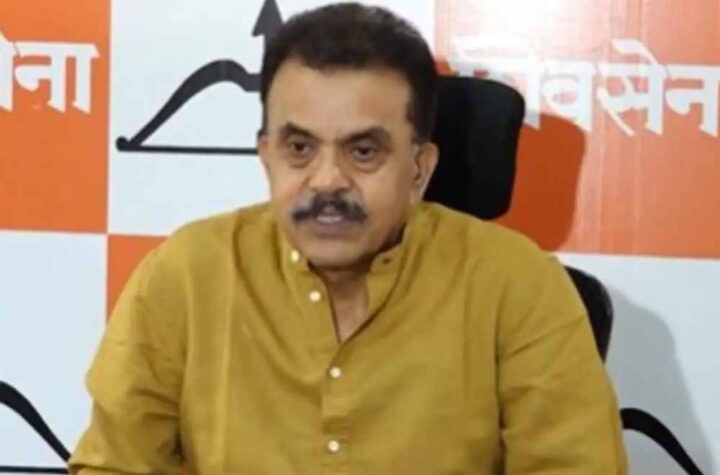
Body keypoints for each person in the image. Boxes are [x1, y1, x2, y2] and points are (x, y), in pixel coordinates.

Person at [69, 3, 627, 474]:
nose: (327, 180)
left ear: (420, 169)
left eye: (363, 151)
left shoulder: (517, 284)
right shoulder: (187, 275)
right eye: (300, 148)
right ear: (266, 157)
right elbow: (114, 465)